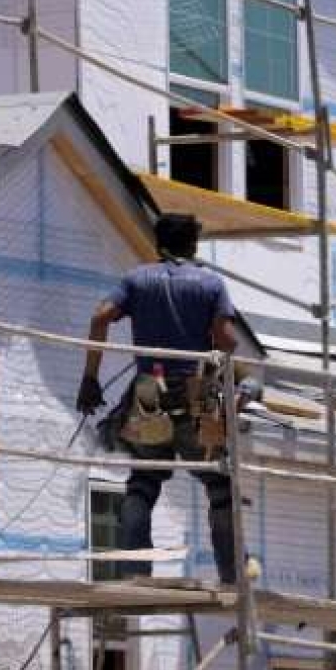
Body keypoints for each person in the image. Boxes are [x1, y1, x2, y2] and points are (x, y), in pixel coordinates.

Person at [76, 212, 239, 584]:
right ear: (193, 247)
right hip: (195, 394)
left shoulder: (136, 279)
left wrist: (90, 379)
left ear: (158, 244)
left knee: (142, 484)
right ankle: (231, 576)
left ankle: (135, 572)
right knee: (220, 487)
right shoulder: (210, 284)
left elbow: (100, 317)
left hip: (148, 392)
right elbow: (227, 340)